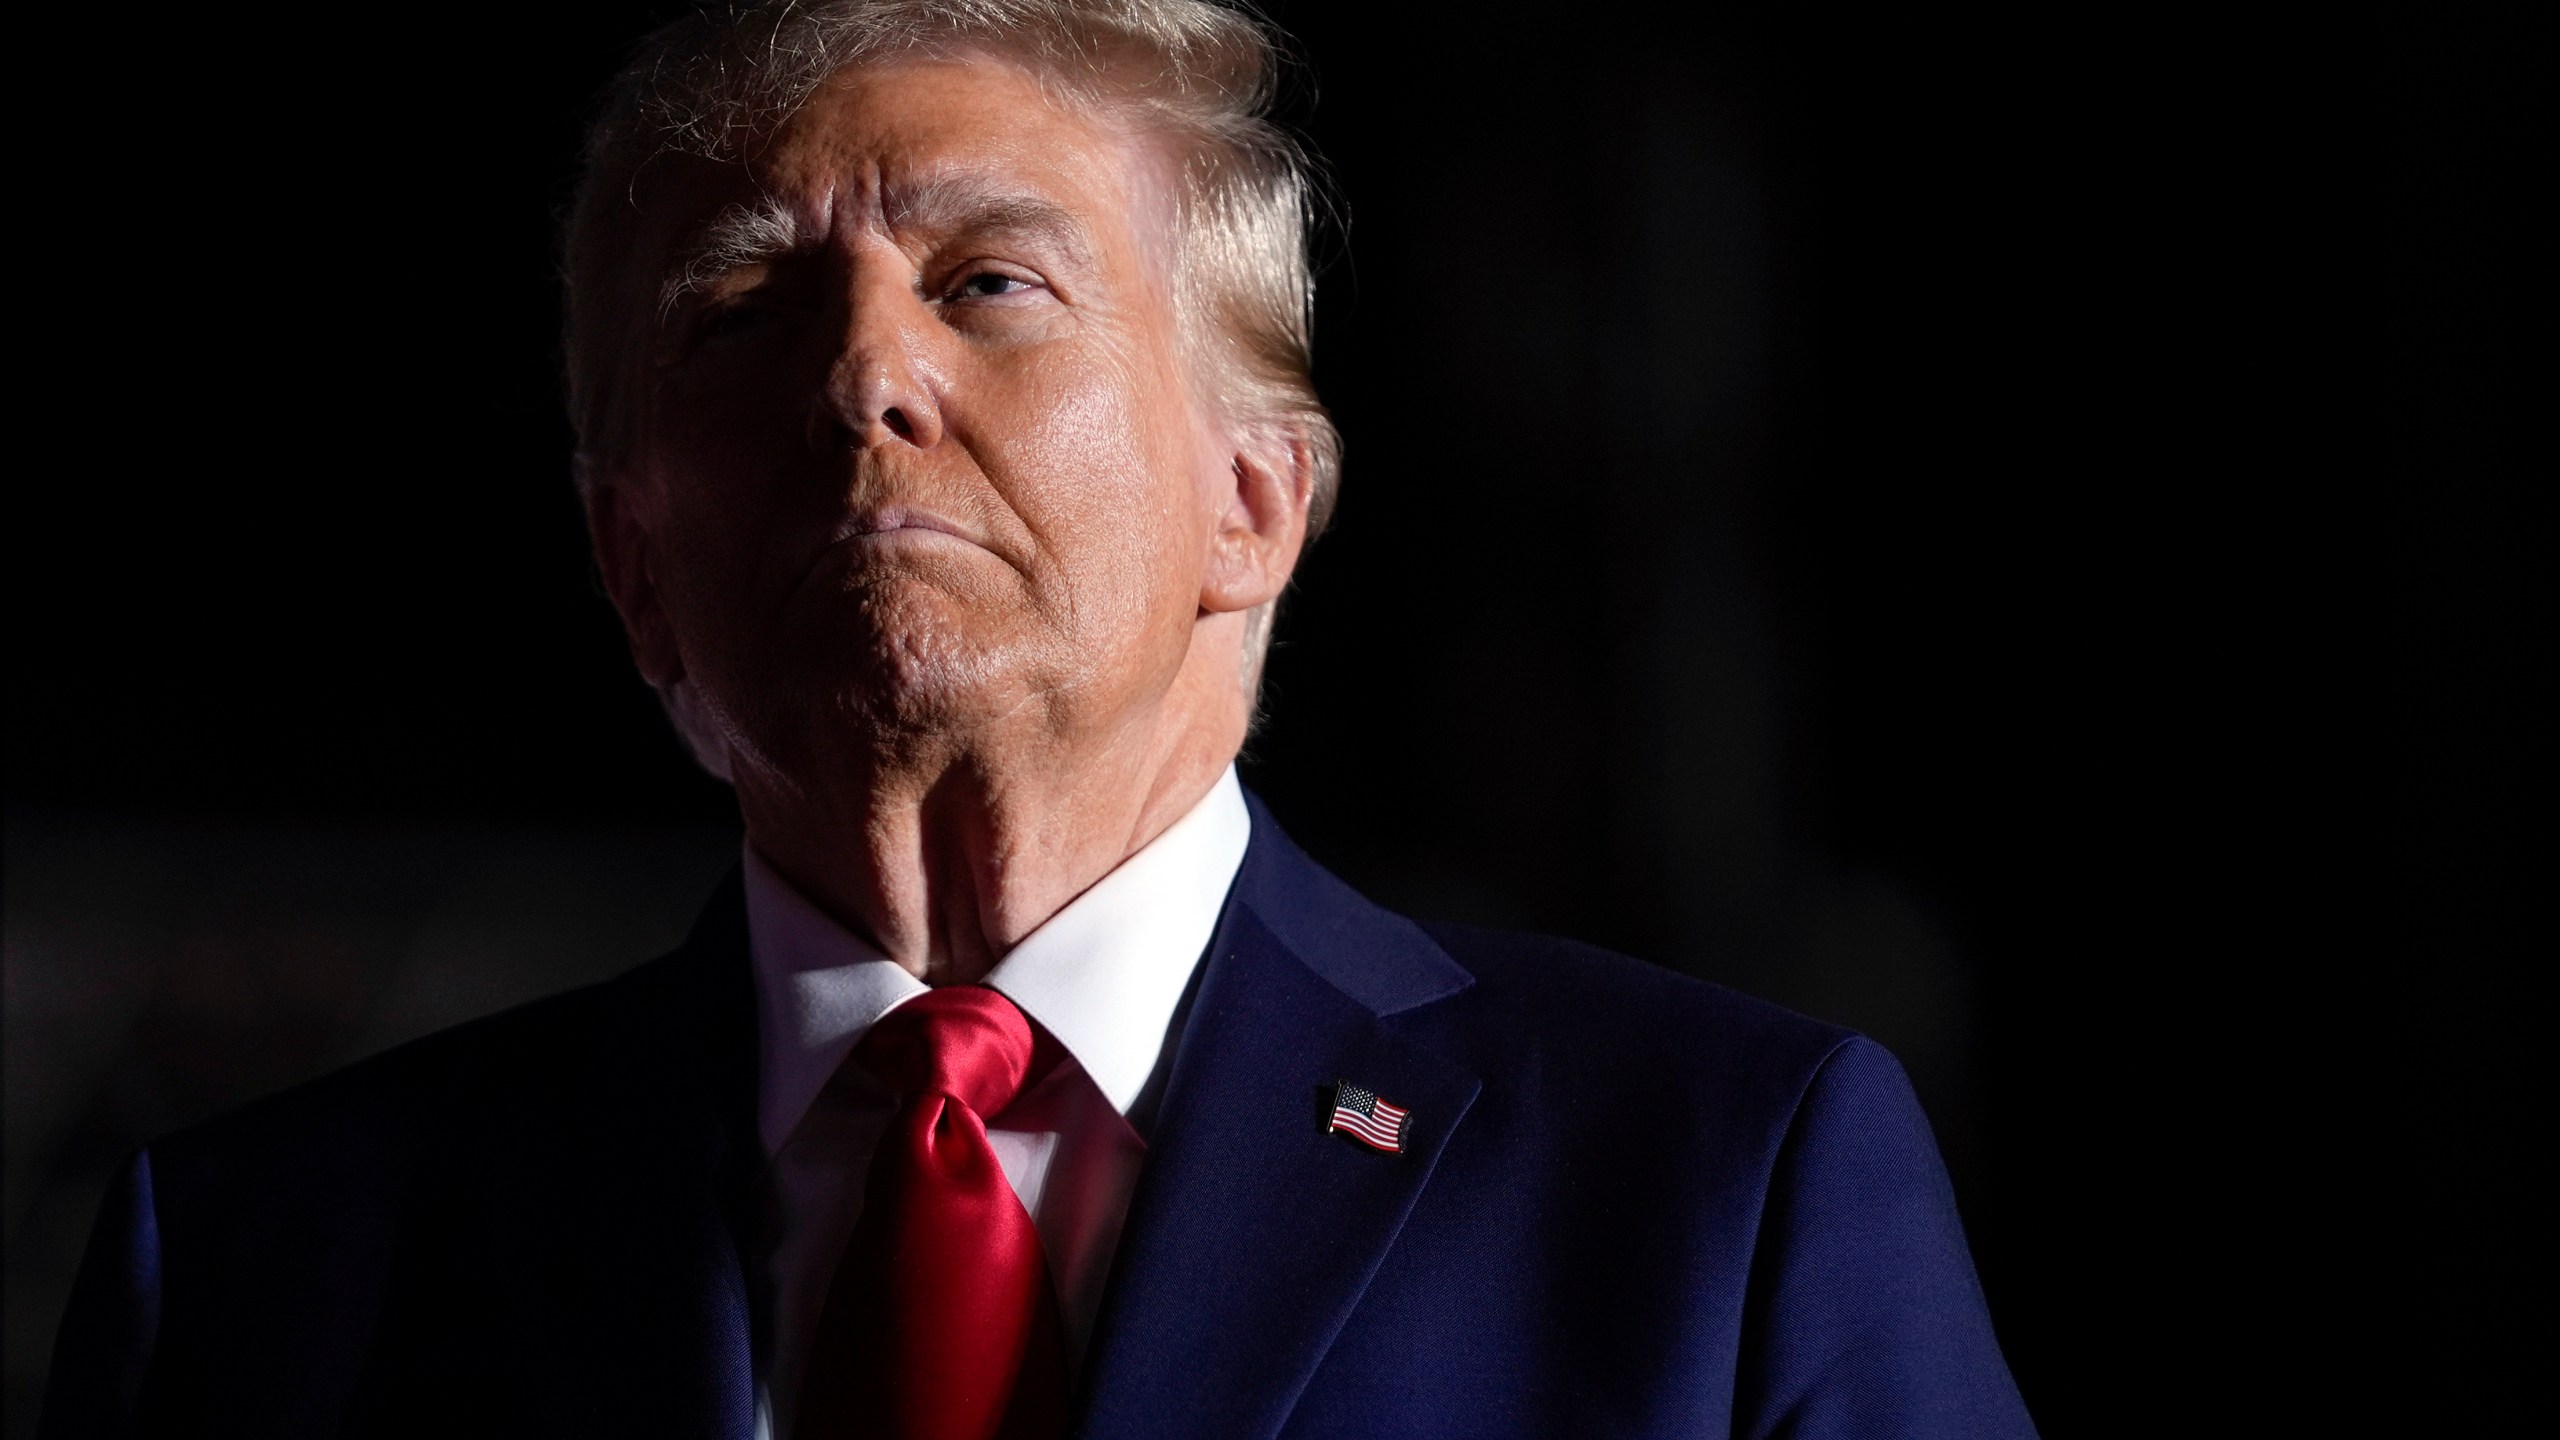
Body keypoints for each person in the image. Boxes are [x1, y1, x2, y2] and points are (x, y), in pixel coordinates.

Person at [40, 3, 2035, 1436]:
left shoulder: (1717, 1181)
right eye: (741, 311)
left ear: (1251, 500)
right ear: (633, 569)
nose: (862, 377)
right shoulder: (260, 1267)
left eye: (989, 282)